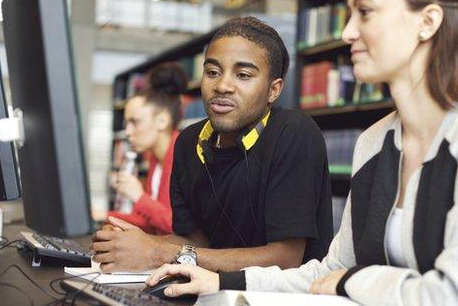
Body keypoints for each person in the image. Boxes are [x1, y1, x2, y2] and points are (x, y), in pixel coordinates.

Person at [146, 0, 458, 305]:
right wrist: (222, 282)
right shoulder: (376, 143)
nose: (347, 32)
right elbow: (329, 269)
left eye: (365, 12)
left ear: (428, 21)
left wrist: (354, 283)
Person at [92, 16, 334, 274]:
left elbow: (286, 259)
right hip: (210, 292)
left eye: (242, 75)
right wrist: (131, 243)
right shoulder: (188, 142)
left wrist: (157, 252)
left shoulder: (294, 132)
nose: (222, 86)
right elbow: (195, 243)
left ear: (273, 90)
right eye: (212, 72)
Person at [107, 62, 186, 235]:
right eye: (127, 123)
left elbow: (178, 227)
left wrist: (139, 196)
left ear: (162, 121)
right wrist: (106, 216)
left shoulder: (183, 157)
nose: (128, 132)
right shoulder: (155, 158)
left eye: (134, 122)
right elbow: (151, 222)